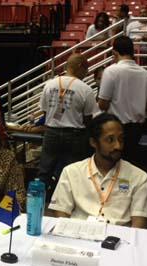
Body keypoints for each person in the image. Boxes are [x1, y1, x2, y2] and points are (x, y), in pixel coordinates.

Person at [49, 113, 147, 228]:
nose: (118, 146)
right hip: (79, 236)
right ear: (93, 142)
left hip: (119, 239)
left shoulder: (139, 177)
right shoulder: (71, 172)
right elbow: (61, 212)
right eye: (110, 140)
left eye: (121, 139)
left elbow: (139, 224)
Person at [38, 54, 96, 191]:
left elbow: (45, 112)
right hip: (75, 135)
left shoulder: (49, 84)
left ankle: (38, 200)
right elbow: (88, 118)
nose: (86, 73)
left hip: (51, 132)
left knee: (44, 170)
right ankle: (67, 202)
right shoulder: (85, 89)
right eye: (86, 69)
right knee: (72, 172)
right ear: (80, 67)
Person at [98, 36, 147, 164]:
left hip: (115, 127)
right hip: (137, 129)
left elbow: (103, 104)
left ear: (114, 53)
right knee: (131, 165)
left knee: (112, 165)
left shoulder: (111, 71)